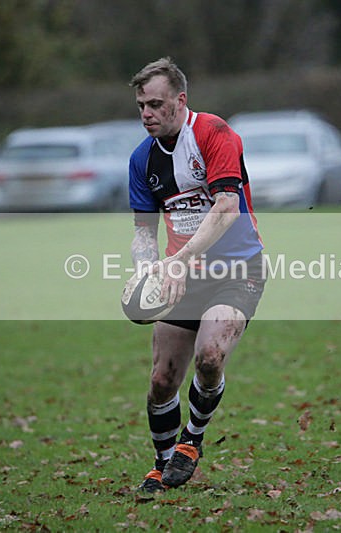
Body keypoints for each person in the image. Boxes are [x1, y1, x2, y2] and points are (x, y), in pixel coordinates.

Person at [127, 57, 265, 493]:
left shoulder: (213, 133)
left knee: (209, 357)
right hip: (180, 276)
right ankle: (163, 462)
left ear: (180, 100)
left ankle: (192, 441)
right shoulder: (141, 159)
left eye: (155, 104)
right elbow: (143, 233)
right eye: (141, 106)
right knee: (161, 379)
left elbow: (226, 209)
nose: (147, 113)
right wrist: (149, 271)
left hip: (237, 269)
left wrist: (179, 261)